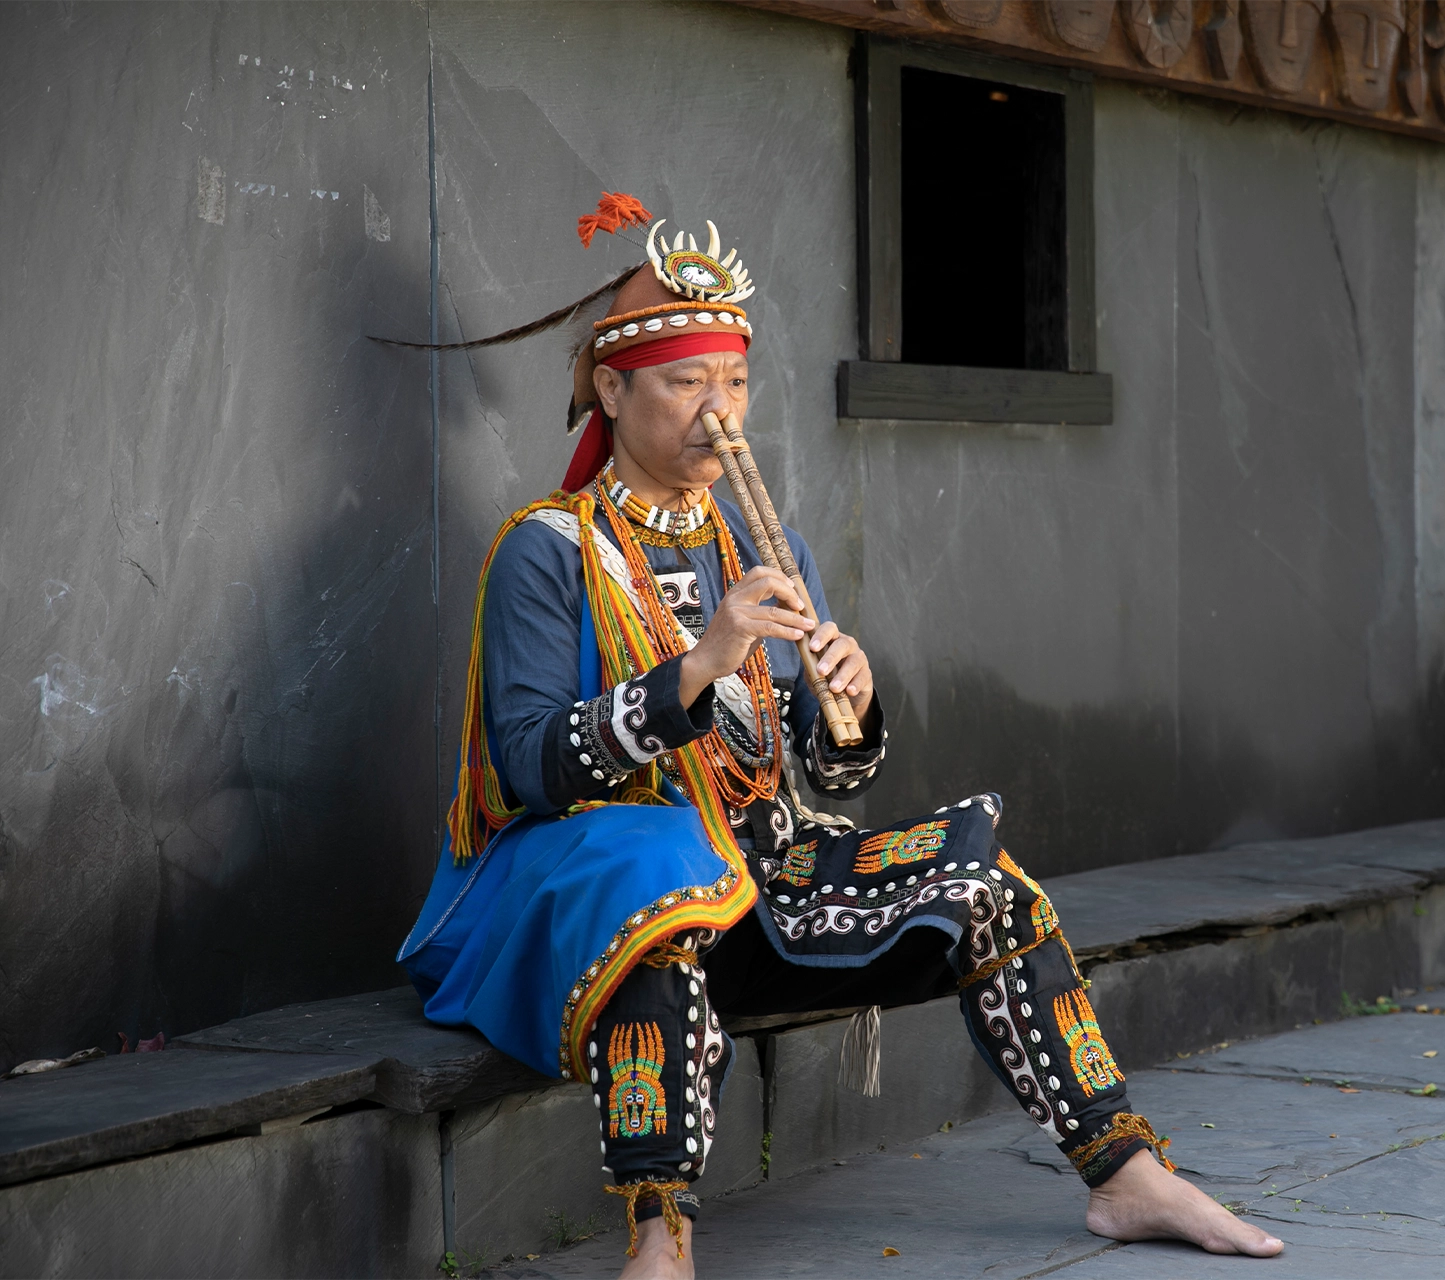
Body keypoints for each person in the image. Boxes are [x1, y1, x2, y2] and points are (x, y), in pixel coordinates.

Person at [396, 193, 1284, 1277]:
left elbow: (818, 773)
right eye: (687, 383)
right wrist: (699, 665)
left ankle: (1127, 1172)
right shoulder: (543, 549)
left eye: (734, 383)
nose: (719, 412)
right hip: (592, 895)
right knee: (657, 880)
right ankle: (658, 1228)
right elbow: (528, 770)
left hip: (768, 879)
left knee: (987, 886)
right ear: (613, 391)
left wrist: (848, 711)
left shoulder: (767, 545)